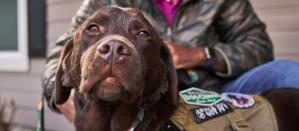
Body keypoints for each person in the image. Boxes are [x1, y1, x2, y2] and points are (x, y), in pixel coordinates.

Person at [42, 0, 299, 123]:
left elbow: (259, 47)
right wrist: (64, 98)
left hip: (219, 90)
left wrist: (203, 55)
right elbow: (64, 51)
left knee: (287, 73)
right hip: (149, 100)